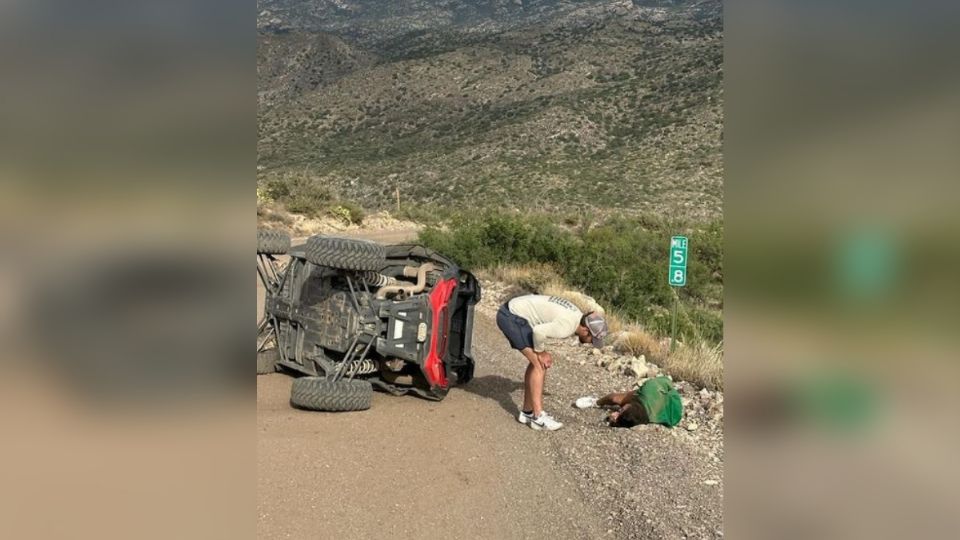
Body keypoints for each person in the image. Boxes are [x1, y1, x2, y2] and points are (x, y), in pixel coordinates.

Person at [496, 294, 608, 431]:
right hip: (511, 316)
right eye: (592, 339)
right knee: (540, 364)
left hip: (513, 311)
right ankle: (538, 417)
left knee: (536, 362)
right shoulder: (568, 325)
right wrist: (541, 352)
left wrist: (540, 352)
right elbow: (538, 332)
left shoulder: (576, 315)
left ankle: (527, 413)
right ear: (585, 330)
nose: (590, 343)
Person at [575, 376, 684, 428]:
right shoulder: (645, 416)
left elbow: (667, 381)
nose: (618, 410)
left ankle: (596, 402)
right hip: (676, 414)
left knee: (615, 398)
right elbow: (667, 381)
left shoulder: (648, 390)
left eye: (620, 410)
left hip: (672, 406)